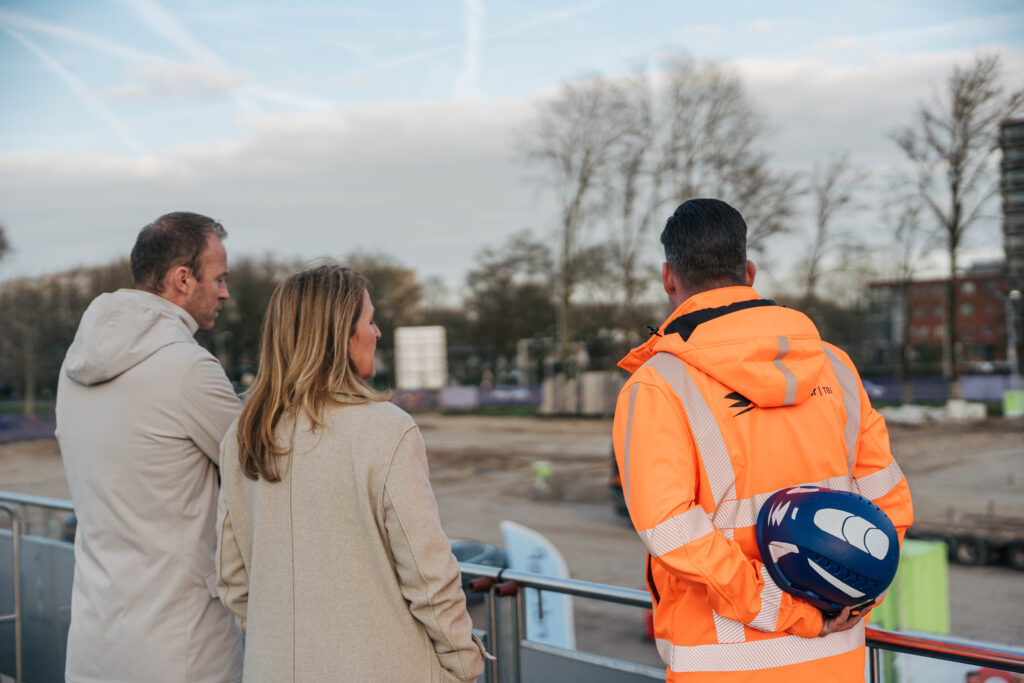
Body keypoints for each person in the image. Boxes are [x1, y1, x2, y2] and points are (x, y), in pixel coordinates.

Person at [611, 198, 914, 682]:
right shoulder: (834, 366)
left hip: (722, 665)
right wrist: (853, 595)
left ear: (669, 278)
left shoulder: (658, 386)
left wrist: (785, 611)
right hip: (837, 660)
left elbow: (670, 530)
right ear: (749, 272)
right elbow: (888, 501)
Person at [216, 263, 488, 682]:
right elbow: (428, 573)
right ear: (339, 334)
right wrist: (464, 664)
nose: (377, 333)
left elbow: (232, 577)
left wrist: (281, 643)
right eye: (370, 321)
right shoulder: (386, 429)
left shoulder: (243, 434)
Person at [56, 212, 243, 682]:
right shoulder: (188, 368)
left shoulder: (74, 368)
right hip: (181, 648)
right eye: (219, 278)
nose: (224, 292)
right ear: (183, 279)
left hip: (96, 639)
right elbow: (265, 465)